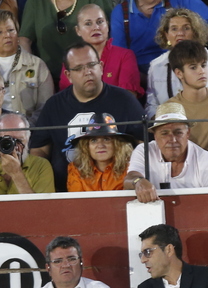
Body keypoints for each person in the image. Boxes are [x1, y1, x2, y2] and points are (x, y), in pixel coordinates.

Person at [28, 43, 145, 190]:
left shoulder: (125, 100)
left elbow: (144, 144)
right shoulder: (54, 105)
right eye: (78, 68)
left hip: (118, 188)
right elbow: (39, 150)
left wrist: (136, 177)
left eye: (91, 65)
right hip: (66, 191)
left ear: (101, 67)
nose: (87, 72)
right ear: (68, 76)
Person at [18, 0, 114, 86]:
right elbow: (24, 40)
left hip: (90, 77)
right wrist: (31, 73)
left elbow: (110, 37)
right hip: (47, 78)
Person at [124, 103, 208, 202]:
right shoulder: (144, 150)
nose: (172, 139)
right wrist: (138, 182)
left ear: (188, 133)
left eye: (178, 133)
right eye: (164, 133)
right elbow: (130, 178)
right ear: (155, 136)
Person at [146, 10, 208, 116]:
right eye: (174, 29)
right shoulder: (156, 66)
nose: (180, 33)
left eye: (186, 28)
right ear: (166, 35)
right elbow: (151, 106)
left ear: (195, 33)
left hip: (206, 121)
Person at [58, 5, 141, 99]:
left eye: (100, 22)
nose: (96, 27)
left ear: (108, 26)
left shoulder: (125, 56)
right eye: (88, 24)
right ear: (78, 30)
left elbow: (128, 98)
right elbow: (65, 98)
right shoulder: (72, 59)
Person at [0, 112, 54, 195]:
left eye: (19, 140)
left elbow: (41, 209)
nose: (14, 146)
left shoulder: (41, 165)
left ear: (27, 139)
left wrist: (17, 174)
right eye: (7, 140)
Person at [65, 112, 136, 192]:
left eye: (106, 139)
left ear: (117, 144)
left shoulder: (131, 167)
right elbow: (76, 201)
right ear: (86, 147)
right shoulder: (76, 169)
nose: (100, 145)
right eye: (94, 140)